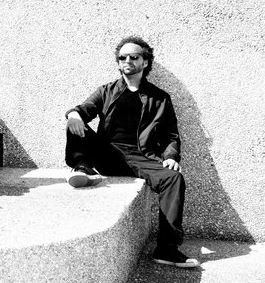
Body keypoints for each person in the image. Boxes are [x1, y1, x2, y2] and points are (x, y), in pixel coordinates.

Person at [65, 36, 200, 269]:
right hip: (107, 153)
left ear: (145, 62)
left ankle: (167, 250)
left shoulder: (160, 98)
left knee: (174, 178)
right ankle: (83, 167)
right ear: (118, 62)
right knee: (74, 122)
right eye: (122, 57)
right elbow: (86, 109)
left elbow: (171, 135)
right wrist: (74, 114)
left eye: (133, 57)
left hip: (142, 157)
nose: (127, 60)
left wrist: (170, 157)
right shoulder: (107, 91)